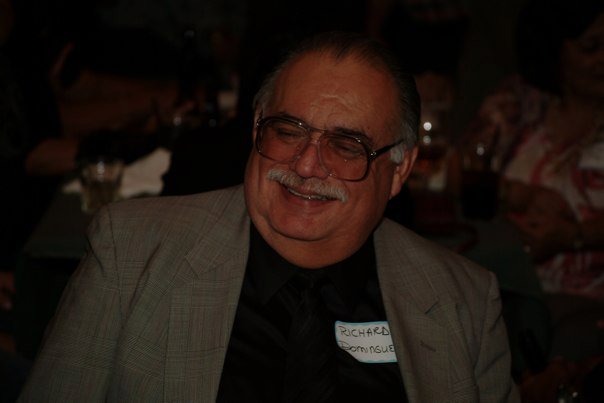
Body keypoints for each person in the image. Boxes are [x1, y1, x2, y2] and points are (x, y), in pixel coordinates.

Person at [18, 32, 518, 402]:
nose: (306, 166)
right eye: (288, 131)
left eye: (347, 146)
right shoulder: (131, 253)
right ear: (256, 126)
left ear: (399, 169)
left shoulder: (464, 305)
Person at [462, 0, 604, 399]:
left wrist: (574, 236)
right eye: (590, 48)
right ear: (555, 48)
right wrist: (521, 194)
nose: (603, 60)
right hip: (503, 282)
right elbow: (455, 169)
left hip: (586, 299)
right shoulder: (520, 102)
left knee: (567, 355)